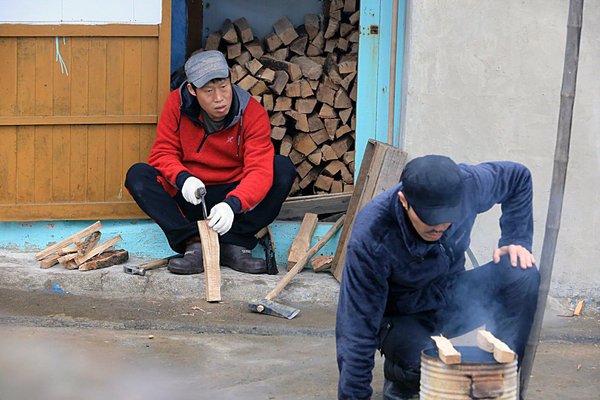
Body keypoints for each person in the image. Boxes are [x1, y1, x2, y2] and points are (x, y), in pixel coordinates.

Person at [336, 155, 540, 399]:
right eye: (430, 221)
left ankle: (500, 383)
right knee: (429, 368)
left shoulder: (469, 185)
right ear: (404, 201)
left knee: (521, 273)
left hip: (452, 296)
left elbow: (518, 176)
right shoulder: (372, 236)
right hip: (401, 318)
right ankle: (402, 377)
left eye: (447, 218)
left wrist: (516, 238)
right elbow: (356, 329)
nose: (440, 227)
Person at [125, 50, 296, 275]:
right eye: (208, 90)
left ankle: (236, 242)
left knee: (282, 169)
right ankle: (194, 243)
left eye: (223, 86)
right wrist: (183, 178)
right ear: (192, 90)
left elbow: (259, 170)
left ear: (230, 80)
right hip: (191, 193)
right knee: (138, 175)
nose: (219, 98)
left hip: (233, 196)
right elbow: (162, 153)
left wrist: (233, 204)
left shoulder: (251, 112)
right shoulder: (176, 104)